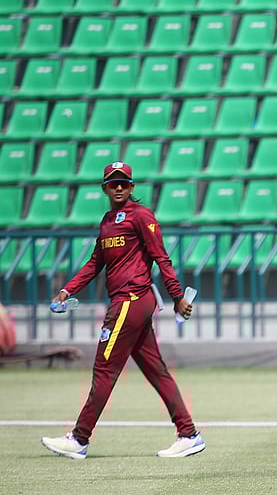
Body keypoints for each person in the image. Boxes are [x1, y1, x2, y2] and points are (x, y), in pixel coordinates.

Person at [41, 162, 203, 460]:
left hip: (130, 301)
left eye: (123, 183)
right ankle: (188, 434)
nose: (118, 187)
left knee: (104, 369)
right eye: (112, 183)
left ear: (131, 187)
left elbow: (161, 258)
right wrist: (67, 291)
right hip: (130, 304)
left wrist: (178, 296)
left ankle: (79, 439)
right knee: (156, 371)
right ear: (104, 187)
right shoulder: (107, 221)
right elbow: (94, 263)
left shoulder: (142, 216)